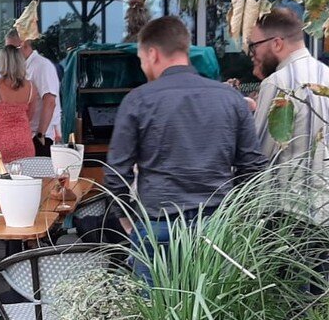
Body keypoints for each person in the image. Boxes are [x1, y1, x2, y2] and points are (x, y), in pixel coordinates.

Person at [104, 16, 267, 284]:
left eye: (142, 59)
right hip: (216, 225)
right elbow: (253, 167)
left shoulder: (138, 101)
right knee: (212, 318)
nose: (143, 67)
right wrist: (237, 220)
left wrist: (130, 222)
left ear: (153, 53)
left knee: (155, 318)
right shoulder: (230, 99)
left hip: (157, 223)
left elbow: (116, 175)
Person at [249, 7, 329, 172]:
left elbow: (257, 156)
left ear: (277, 43)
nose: (252, 54)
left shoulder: (277, 84)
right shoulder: (326, 74)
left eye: (253, 46)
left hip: (287, 196)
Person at [5, 29, 62, 155]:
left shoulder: (42, 66)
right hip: (25, 134)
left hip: (41, 135)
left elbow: (50, 101)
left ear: (24, 44)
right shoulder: (21, 67)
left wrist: (40, 134)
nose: (9, 55)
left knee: (40, 173)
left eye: (11, 50)